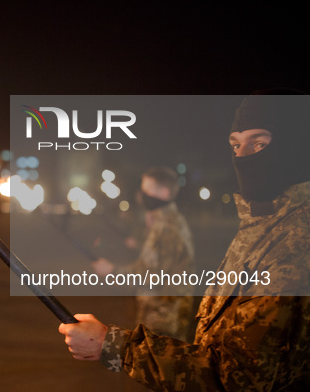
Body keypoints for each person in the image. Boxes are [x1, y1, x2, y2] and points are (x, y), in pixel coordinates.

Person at [59, 90, 310, 390]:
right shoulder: (264, 221)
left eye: (259, 143)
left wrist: (110, 343)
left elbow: (236, 378)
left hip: (165, 318)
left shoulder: (298, 240)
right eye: (235, 145)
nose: (242, 157)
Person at [92, 166, 195, 341]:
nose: (142, 194)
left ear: (163, 192)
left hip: (164, 316)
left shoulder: (167, 227)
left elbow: (152, 272)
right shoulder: (164, 221)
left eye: (147, 189)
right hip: (161, 311)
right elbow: (160, 258)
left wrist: (112, 270)